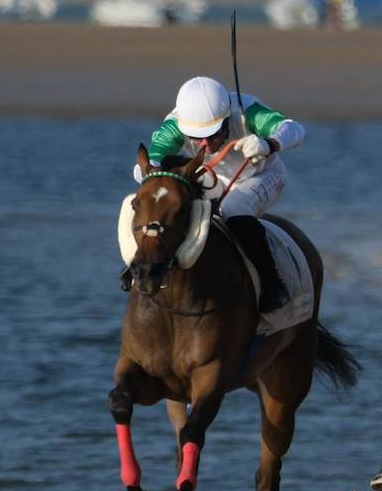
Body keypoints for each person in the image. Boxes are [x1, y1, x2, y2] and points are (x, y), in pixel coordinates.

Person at [126, 76, 306, 313]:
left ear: (226, 119)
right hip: (213, 180)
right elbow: (152, 161)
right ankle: (140, 263)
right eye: (196, 138)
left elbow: (295, 129)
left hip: (262, 175)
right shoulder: (174, 125)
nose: (205, 145)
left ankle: (272, 283)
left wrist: (268, 144)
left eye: (212, 135)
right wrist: (148, 172)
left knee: (233, 208)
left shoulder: (247, 111)